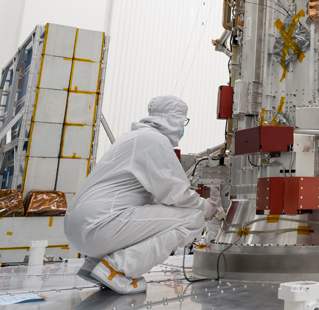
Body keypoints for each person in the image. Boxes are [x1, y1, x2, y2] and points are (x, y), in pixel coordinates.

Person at [65, 96, 221, 294]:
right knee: (193, 217)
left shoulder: (132, 137)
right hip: (99, 224)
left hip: (84, 226)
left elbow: (158, 198)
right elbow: (175, 193)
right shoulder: (153, 140)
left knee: (169, 215)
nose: (183, 128)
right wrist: (206, 208)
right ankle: (117, 269)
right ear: (174, 120)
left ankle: (94, 265)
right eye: (183, 122)